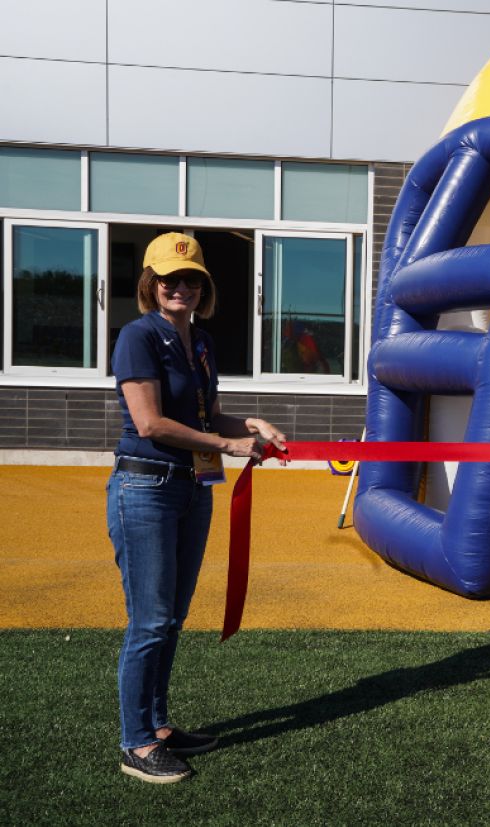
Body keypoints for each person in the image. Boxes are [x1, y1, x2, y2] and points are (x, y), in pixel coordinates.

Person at [108, 233, 286, 783]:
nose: (180, 287)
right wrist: (229, 445)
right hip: (146, 488)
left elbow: (207, 417)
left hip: (189, 487)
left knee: (173, 618)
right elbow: (150, 424)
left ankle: (158, 726)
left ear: (203, 287)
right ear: (150, 285)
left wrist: (251, 425)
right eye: (169, 279)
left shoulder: (201, 343)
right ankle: (136, 743)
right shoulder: (138, 336)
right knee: (151, 620)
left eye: (191, 279)